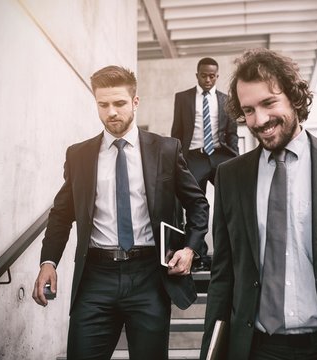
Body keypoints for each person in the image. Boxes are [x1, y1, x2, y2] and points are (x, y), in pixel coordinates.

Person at [200, 48, 317, 360]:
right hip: (258, 348)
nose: (259, 120)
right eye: (248, 110)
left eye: (268, 103)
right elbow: (223, 275)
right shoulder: (230, 176)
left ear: (293, 97)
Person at [32, 65, 209, 360]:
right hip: (95, 278)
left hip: (149, 276)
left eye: (119, 103)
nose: (111, 112)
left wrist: (190, 248)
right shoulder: (79, 155)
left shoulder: (166, 149)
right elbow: (62, 214)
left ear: (135, 102)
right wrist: (48, 261)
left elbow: (198, 204)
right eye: (103, 105)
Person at [171, 57, 239, 271]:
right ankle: (197, 254)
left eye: (212, 76)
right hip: (194, 156)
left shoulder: (227, 100)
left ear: (217, 76)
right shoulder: (182, 98)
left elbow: (232, 133)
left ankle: (227, 252)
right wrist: (177, 158)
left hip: (221, 155)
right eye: (204, 75)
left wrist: (235, 157)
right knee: (193, 205)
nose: (208, 79)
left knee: (230, 202)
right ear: (197, 75)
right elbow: (177, 131)